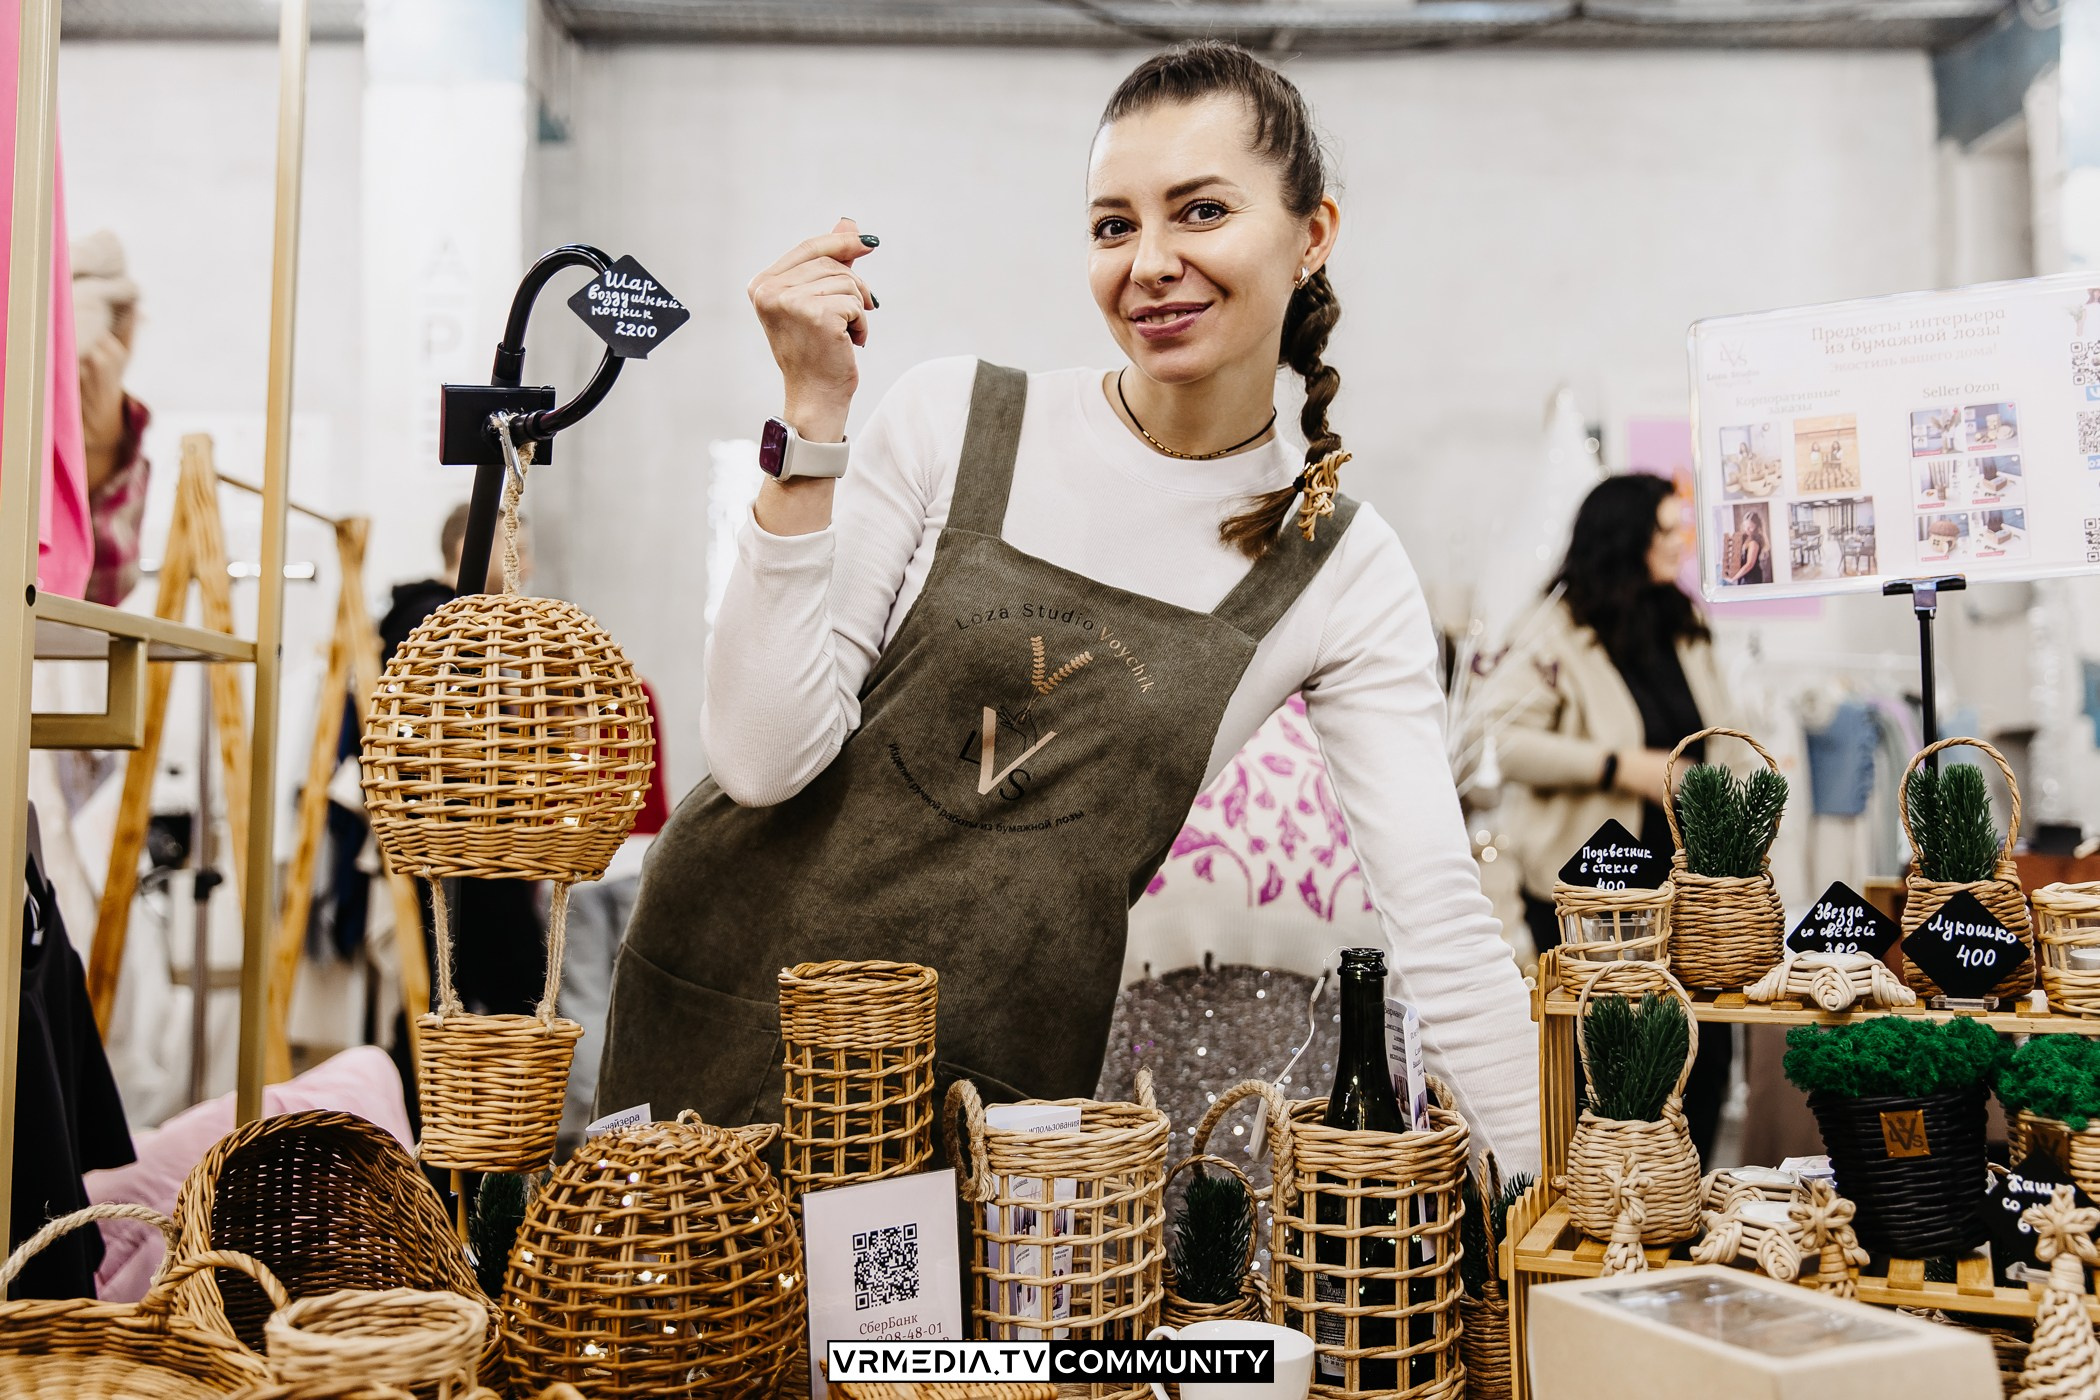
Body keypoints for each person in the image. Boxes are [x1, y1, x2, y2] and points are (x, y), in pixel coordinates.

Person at [597, 41, 1540, 1171]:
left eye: (1199, 212)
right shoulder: (953, 419)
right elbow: (760, 759)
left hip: (987, 1096)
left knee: (925, 1357)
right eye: (1112, 225)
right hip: (729, 989)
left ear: (1313, 234)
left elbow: (1438, 918)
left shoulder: (1336, 565)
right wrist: (810, 415)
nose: (1150, 263)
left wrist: (1573, 1221)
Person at [1486, 474, 1738, 1159]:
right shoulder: (1556, 631)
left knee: (1703, 1055)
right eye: (1665, 530)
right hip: (1590, 899)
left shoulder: (1687, 624)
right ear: (1626, 538)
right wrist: (1616, 766)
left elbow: (1720, 732)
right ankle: (1599, 1217)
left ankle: (1682, 1205)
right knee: (1602, 1071)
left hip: (1685, 893)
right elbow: (1496, 741)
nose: (1679, 544)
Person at [1727, 509, 1770, 585]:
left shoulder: (1754, 542)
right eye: (1745, 526)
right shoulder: (1746, 538)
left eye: (1750, 527)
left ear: (1756, 526)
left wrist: (1733, 578)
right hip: (1745, 576)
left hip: (1752, 578)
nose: (1747, 529)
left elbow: (1749, 564)